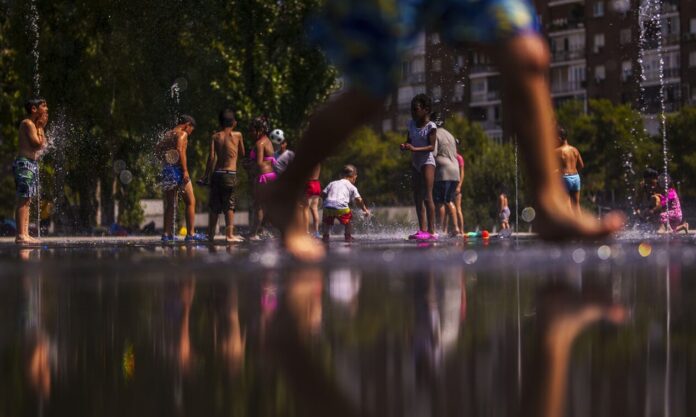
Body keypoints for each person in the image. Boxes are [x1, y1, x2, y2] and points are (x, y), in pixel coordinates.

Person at [262, 0, 624, 261]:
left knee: (525, 52)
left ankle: (549, 206)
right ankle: (286, 191)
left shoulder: (432, 130)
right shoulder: (416, 125)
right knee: (368, 92)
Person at [155, 114, 205, 242]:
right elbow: (179, 150)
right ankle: (191, 234)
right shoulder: (182, 134)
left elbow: (157, 150)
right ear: (187, 125)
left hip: (167, 170)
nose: (190, 132)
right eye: (191, 129)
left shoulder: (167, 134)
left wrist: (166, 160)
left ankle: (166, 234)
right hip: (178, 170)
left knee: (171, 204)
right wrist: (185, 171)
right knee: (190, 201)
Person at [200, 109, 245, 243]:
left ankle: (210, 235)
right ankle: (229, 235)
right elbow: (242, 153)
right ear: (234, 122)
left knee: (215, 205)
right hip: (229, 174)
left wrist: (206, 175)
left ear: (220, 123)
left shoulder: (215, 136)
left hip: (217, 174)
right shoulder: (237, 135)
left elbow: (211, 158)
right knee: (229, 205)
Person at [402, 95, 438, 240]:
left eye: (415, 109)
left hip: (427, 161)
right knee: (417, 196)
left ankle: (432, 231)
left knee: (427, 196)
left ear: (426, 110)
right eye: (411, 109)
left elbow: (431, 147)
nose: (413, 112)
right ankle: (422, 230)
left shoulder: (431, 126)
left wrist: (414, 149)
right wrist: (405, 145)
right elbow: (409, 140)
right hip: (416, 162)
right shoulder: (411, 124)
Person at [15, 98, 48, 245]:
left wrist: (41, 127)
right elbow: (36, 144)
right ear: (34, 109)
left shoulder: (34, 125)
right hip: (24, 164)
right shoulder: (27, 123)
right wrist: (40, 127)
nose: (46, 109)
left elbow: (43, 145)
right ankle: (20, 234)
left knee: (27, 200)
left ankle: (25, 233)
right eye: (43, 106)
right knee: (23, 199)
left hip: (31, 164)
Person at [431, 112, 462, 237]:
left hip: (443, 172)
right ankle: (455, 228)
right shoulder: (450, 135)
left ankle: (441, 230)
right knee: (449, 200)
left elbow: (433, 153)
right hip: (455, 171)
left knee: (440, 202)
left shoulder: (435, 134)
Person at [321, 165, 370, 242]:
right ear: (354, 177)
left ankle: (325, 236)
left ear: (341, 175)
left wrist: (325, 202)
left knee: (326, 223)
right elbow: (359, 199)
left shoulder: (332, 183)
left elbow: (323, 193)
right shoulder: (351, 186)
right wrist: (365, 210)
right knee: (348, 222)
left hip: (328, 207)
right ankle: (348, 237)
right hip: (341, 208)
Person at [249, 116, 277, 240]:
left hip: (263, 177)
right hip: (271, 176)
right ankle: (262, 231)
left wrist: (248, 165)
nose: (250, 133)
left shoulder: (259, 143)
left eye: (252, 130)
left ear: (259, 130)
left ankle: (254, 234)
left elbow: (259, 163)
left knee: (258, 206)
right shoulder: (268, 141)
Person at [556, 127, 584, 214]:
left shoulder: (557, 151)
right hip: (576, 177)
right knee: (576, 206)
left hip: (565, 178)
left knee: (567, 206)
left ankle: (569, 223)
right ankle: (579, 223)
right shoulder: (574, 150)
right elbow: (581, 165)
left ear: (559, 138)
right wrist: (573, 172)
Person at [305, 164, 322, 238]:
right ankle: (316, 232)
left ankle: (306, 231)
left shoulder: (309, 162)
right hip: (317, 184)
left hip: (309, 184)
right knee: (315, 208)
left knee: (305, 209)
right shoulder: (318, 163)